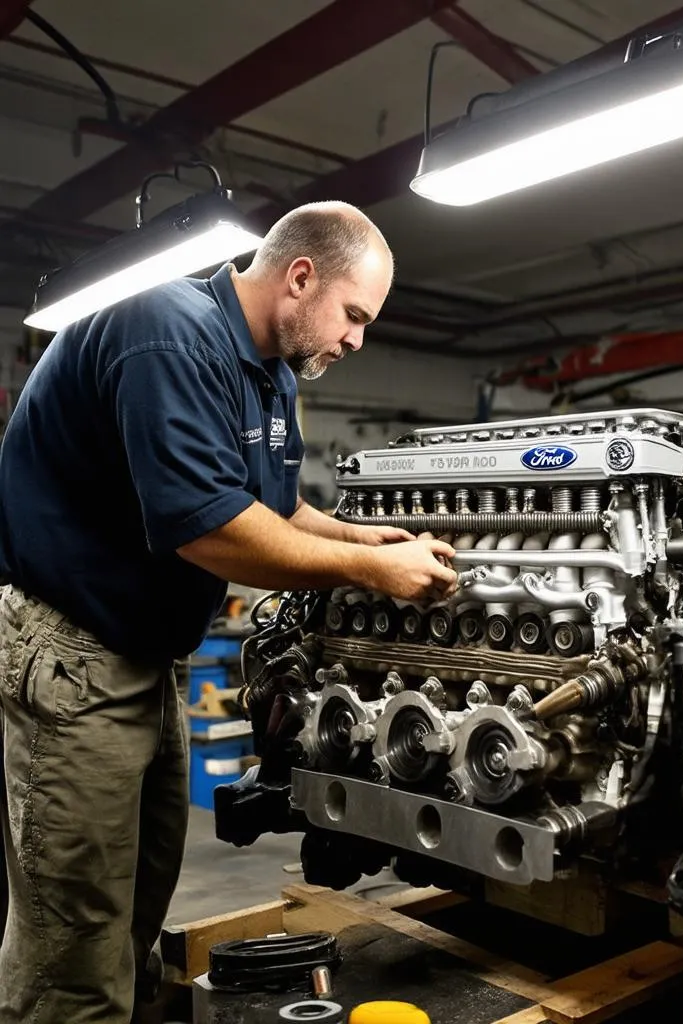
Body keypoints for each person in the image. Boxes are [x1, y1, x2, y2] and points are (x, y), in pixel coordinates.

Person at [0, 201, 458, 1024]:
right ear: (300, 276)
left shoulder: (269, 370)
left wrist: (360, 535)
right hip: (75, 652)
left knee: (139, 901)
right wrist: (370, 569)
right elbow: (210, 529)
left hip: (146, 653)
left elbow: (267, 507)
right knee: (73, 936)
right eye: (354, 316)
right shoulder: (167, 335)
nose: (357, 340)